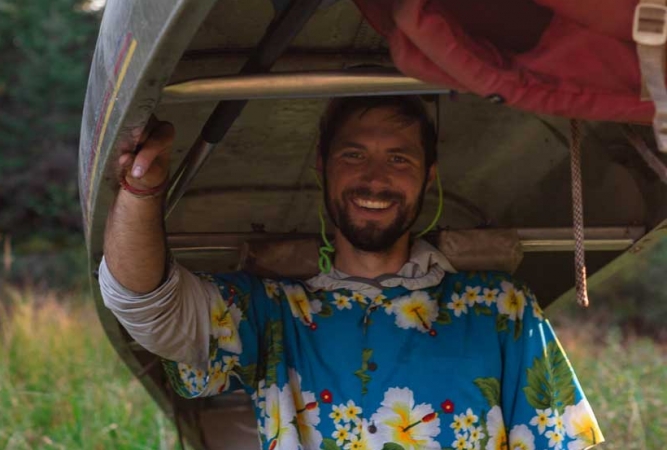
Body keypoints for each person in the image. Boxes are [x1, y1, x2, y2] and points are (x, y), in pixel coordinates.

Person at [99, 96, 605, 450]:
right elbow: (147, 308)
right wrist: (142, 190)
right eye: (354, 154)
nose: (375, 178)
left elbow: (561, 442)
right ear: (323, 166)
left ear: (428, 176)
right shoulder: (274, 315)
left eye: (399, 158)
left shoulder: (501, 308)